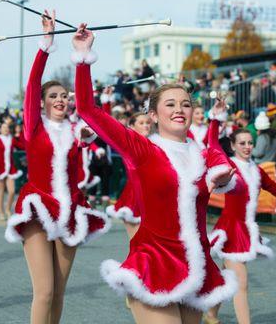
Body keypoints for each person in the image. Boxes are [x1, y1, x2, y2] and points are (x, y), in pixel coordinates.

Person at [74, 23, 238, 324]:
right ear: (153, 115)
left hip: (196, 264)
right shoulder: (143, 149)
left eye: (186, 104)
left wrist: (225, 178)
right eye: (171, 104)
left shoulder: (202, 154)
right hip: (155, 261)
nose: (180, 109)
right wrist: (83, 58)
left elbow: (225, 167)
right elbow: (87, 109)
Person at [4, 11, 110, 324]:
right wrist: (46, 43)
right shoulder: (34, 127)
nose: (61, 100)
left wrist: (83, 56)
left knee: (60, 292)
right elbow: (33, 82)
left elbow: (88, 110)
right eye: (54, 96)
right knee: (45, 292)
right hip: (38, 208)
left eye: (65, 96)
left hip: (71, 209)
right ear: (43, 101)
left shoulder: (78, 129)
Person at [204, 101, 276, 324]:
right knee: (241, 283)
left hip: (247, 230)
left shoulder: (257, 170)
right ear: (232, 145)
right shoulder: (227, 164)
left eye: (250, 143)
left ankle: (211, 314)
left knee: (228, 278)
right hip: (231, 231)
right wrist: (215, 118)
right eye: (242, 143)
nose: (247, 146)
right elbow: (212, 143)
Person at [106, 111, 151, 240]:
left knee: (149, 244)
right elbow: (110, 128)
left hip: (151, 195)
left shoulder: (153, 144)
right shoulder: (128, 143)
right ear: (131, 126)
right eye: (141, 123)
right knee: (137, 241)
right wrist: (106, 102)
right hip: (133, 195)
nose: (146, 126)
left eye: (148, 123)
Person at [0, 113, 23, 220]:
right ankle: (1, 212)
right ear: (0, 129)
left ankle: (7, 209)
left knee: (12, 191)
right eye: (3, 127)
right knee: (1, 192)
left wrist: (18, 133)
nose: (6, 129)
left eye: (7, 127)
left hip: (11, 168)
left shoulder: (12, 139)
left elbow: (23, 145)